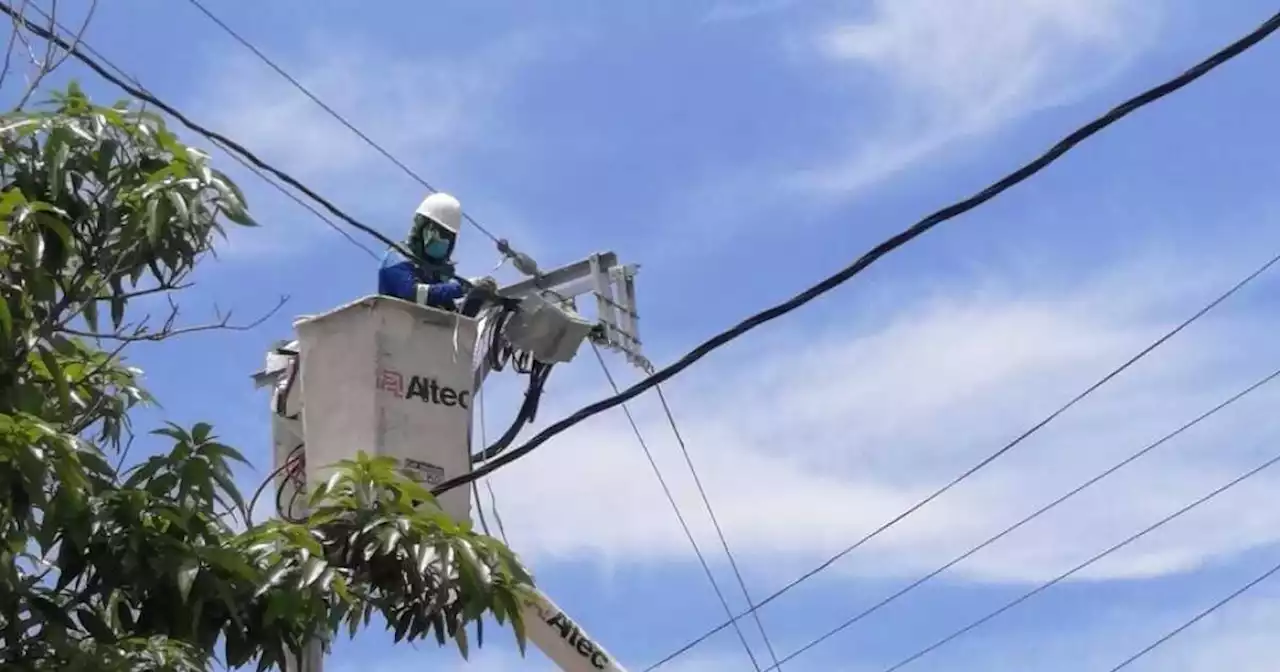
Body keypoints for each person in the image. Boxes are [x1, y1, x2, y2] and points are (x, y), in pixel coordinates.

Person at [378, 192, 497, 316]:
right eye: (439, 233)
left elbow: (456, 320)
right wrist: (462, 288)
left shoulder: (434, 276)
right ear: (421, 228)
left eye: (448, 237)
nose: (444, 241)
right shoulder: (396, 257)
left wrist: (476, 297)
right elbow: (413, 294)